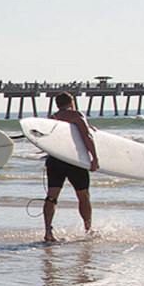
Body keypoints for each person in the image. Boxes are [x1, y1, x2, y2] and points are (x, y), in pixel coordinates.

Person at [42, 92, 99, 242]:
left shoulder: (51, 119)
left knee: (52, 196)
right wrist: (94, 157)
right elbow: (87, 136)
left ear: (57, 104)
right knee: (83, 196)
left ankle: (48, 232)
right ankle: (88, 230)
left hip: (55, 161)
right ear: (71, 102)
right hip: (74, 162)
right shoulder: (76, 115)